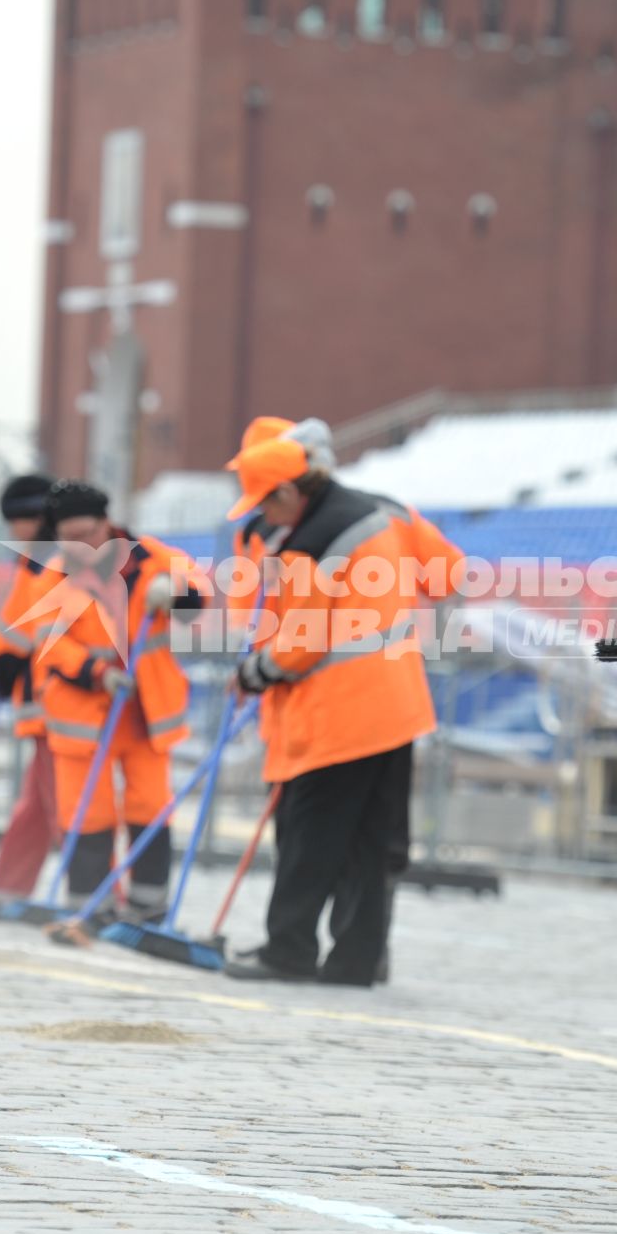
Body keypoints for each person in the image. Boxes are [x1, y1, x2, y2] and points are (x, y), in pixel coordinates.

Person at [219, 419, 449, 987]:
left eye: (265, 504)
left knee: (308, 840)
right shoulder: (379, 512)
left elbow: (301, 641)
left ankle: (288, 951)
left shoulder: (310, 542)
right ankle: (356, 961)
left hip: (337, 718)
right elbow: (449, 573)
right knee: (370, 844)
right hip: (397, 710)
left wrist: (254, 673)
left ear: (290, 491)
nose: (264, 517)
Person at [25, 481, 204, 925]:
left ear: (108, 524)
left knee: (150, 806)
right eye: (69, 538)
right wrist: (99, 674)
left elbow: (201, 603)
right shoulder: (52, 578)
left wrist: (179, 595)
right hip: (83, 717)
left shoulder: (157, 561)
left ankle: (149, 907)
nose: (80, 546)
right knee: (88, 811)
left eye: (87, 534)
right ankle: (90, 906)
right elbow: (52, 645)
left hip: (146, 714)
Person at [0, 473, 64, 914]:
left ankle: (101, 896)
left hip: (59, 705)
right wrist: (6, 663)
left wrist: (8, 660)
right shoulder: (36, 560)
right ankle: (10, 888)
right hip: (40, 702)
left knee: (67, 805)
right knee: (37, 805)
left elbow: (27, 627)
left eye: (17, 521)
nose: (12, 532)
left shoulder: (53, 562)